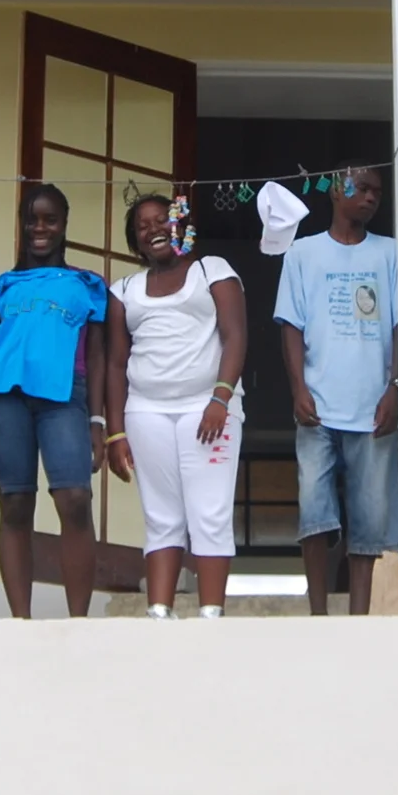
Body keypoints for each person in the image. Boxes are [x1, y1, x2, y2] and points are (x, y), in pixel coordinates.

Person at [109, 191, 248, 618]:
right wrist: (115, 431)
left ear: (181, 227)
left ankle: (210, 614)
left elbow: (236, 335)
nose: (153, 229)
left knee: (209, 512)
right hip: (146, 411)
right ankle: (159, 612)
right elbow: (115, 364)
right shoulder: (124, 291)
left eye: (161, 220)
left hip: (208, 410)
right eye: (142, 226)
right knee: (161, 514)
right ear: (134, 241)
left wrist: (220, 397)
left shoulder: (212, 270)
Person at [273, 167, 398, 616]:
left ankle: (360, 618)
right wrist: (297, 388)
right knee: (315, 514)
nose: (369, 198)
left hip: (373, 408)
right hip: (318, 407)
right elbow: (290, 326)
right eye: (360, 188)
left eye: (376, 192)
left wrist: (395, 388)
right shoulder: (303, 253)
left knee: (368, 520)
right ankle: (318, 614)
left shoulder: (390, 252)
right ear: (335, 190)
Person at [0, 185, 108, 619]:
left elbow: (98, 355)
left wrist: (97, 419)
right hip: (5, 399)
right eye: (32, 219)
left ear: (64, 224)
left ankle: (78, 621)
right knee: (14, 502)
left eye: (49, 219)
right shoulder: (2, 285)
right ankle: (21, 620)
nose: (40, 227)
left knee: (74, 500)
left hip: (64, 396)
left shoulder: (87, 284)